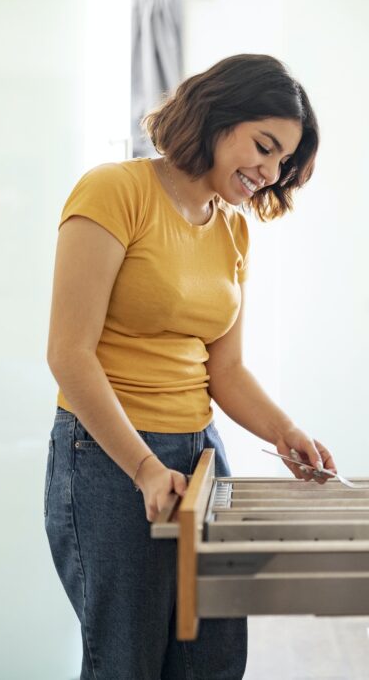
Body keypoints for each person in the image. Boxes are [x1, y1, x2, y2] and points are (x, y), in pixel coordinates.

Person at [43, 54, 335, 679]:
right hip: (108, 459)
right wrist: (144, 468)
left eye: (283, 161)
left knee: (214, 660)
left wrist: (287, 434)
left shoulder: (233, 231)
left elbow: (225, 371)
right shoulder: (115, 190)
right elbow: (69, 354)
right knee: (127, 663)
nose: (270, 170)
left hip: (201, 455)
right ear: (216, 116)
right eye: (263, 146)